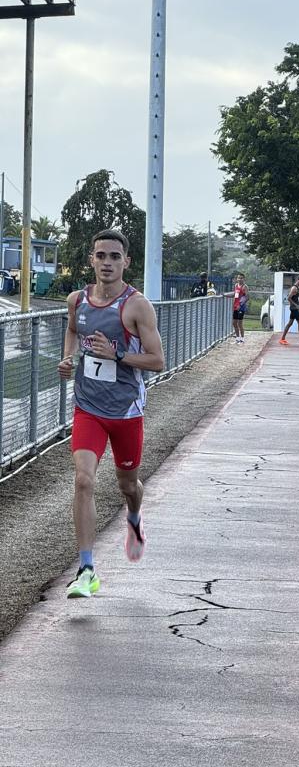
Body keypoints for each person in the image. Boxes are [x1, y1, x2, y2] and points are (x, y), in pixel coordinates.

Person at [57, 228, 165, 599]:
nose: (107, 263)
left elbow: (158, 361)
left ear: (126, 262)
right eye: (100, 256)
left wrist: (116, 355)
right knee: (83, 480)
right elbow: (72, 331)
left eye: (114, 257)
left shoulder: (137, 306)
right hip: (87, 407)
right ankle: (87, 569)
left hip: (125, 411)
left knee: (127, 486)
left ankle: (133, 518)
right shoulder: (77, 300)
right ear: (91, 259)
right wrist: (69, 358)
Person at [279, 274, 299, 347]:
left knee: (290, 323)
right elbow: (289, 298)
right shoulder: (294, 288)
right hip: (294, 309)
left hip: (294, 308)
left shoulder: (297, 288)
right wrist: (296, 305)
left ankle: (282, 338)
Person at [232, 272, 249, 341]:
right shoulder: (236, 285)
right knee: (234, 323)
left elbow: (247, 297)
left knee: (239, 323)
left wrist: (240, 304)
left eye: (241, 278)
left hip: (241, 307)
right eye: (238, 278)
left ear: (244, 279)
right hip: (235, 307)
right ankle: (237, 338)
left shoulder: (245, 287)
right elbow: (235, 295)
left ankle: (242, 338)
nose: (239, 279)